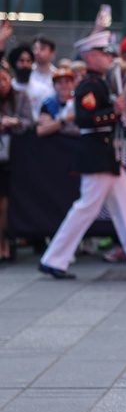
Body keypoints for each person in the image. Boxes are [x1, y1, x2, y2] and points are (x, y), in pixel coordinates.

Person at [38, 31, 126, 280]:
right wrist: (114, 111)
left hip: (106, 154)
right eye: (103, 53)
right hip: (96, 153)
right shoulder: (90, 84)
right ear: (90, 56)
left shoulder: (101, 82)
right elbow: (85, 118)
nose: (109, 57)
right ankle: (54, 259)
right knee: (86, 208)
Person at [0, 60, 34, 262]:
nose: (2, 83)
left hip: (14, 158)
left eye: (4, 79)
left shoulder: (20, 98)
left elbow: (30, 122)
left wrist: (15, 122)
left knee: (5, 204)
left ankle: (5, 242)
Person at [7, 44, 51, 119]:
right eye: (22, 61)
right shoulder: (8, 89)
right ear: (15, 63)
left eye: (28, 61)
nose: (25, 65)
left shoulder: (42, 89)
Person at [35, 67, 78, 138]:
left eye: (67, 81)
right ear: (54, 85)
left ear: (73, 84)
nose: (64, 86)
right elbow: (41, 131)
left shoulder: (78, 102)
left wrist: (52, 123)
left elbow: (79, 130)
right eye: (59, 82)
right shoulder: (48, 103)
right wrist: (65, 120)